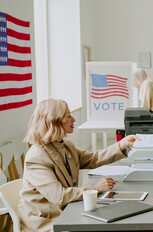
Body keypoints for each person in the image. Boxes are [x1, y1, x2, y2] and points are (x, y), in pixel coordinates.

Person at [17, 99, 139, 232]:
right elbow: (59, 196)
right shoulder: (36, 157)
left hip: (67, 211)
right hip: (46, 221)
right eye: (68, 116)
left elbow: (93, 159)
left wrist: (122, 144)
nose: (73, 119)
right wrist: (94, 189)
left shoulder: (66, 145)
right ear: (55, 122)